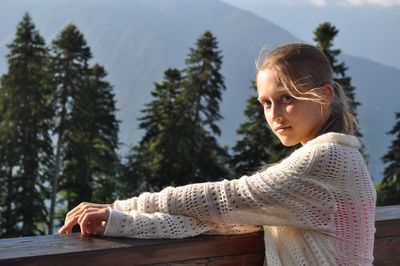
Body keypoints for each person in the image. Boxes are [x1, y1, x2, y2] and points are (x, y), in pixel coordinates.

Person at [59, 43, 376, 265]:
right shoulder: (341, 158)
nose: (274, 114)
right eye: (265, 103)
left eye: (286, 98)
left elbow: (226, 197)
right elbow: (220, 221)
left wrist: (121, 206)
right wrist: (123, 222)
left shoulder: (326, 160)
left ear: (323, 96)